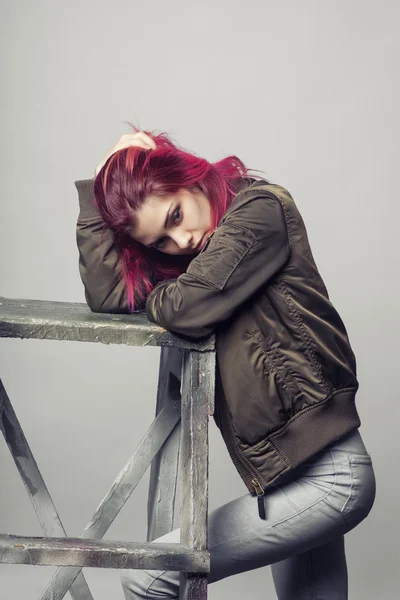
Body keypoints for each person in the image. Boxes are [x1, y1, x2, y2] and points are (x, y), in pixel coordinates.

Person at [75, 128, 376, 599]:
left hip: (330, 476)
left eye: (176, 215)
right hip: (285, 476)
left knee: (148, 577)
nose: (181, 239)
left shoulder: (260, 210)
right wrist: (95, 197)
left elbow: (184, 308)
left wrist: (164, 296)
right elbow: (109, 294)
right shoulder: (199, 260)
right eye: (162, 242)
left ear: (189, 174)